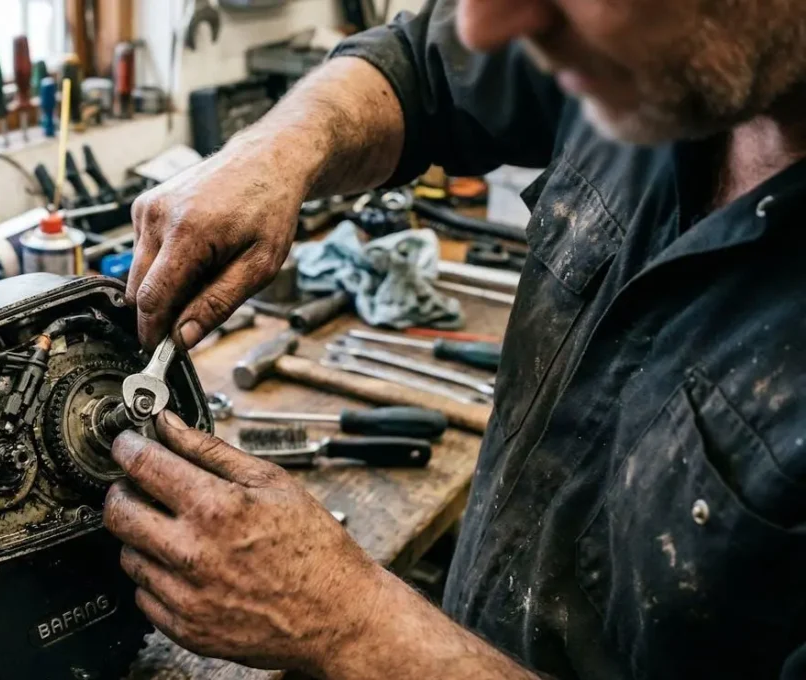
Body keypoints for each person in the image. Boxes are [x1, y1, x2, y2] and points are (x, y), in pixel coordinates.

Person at [101, 0, 806, 677]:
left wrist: (353, 626)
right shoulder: (635, 47)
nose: (485, 21)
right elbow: (425, 68)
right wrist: (281, 147)